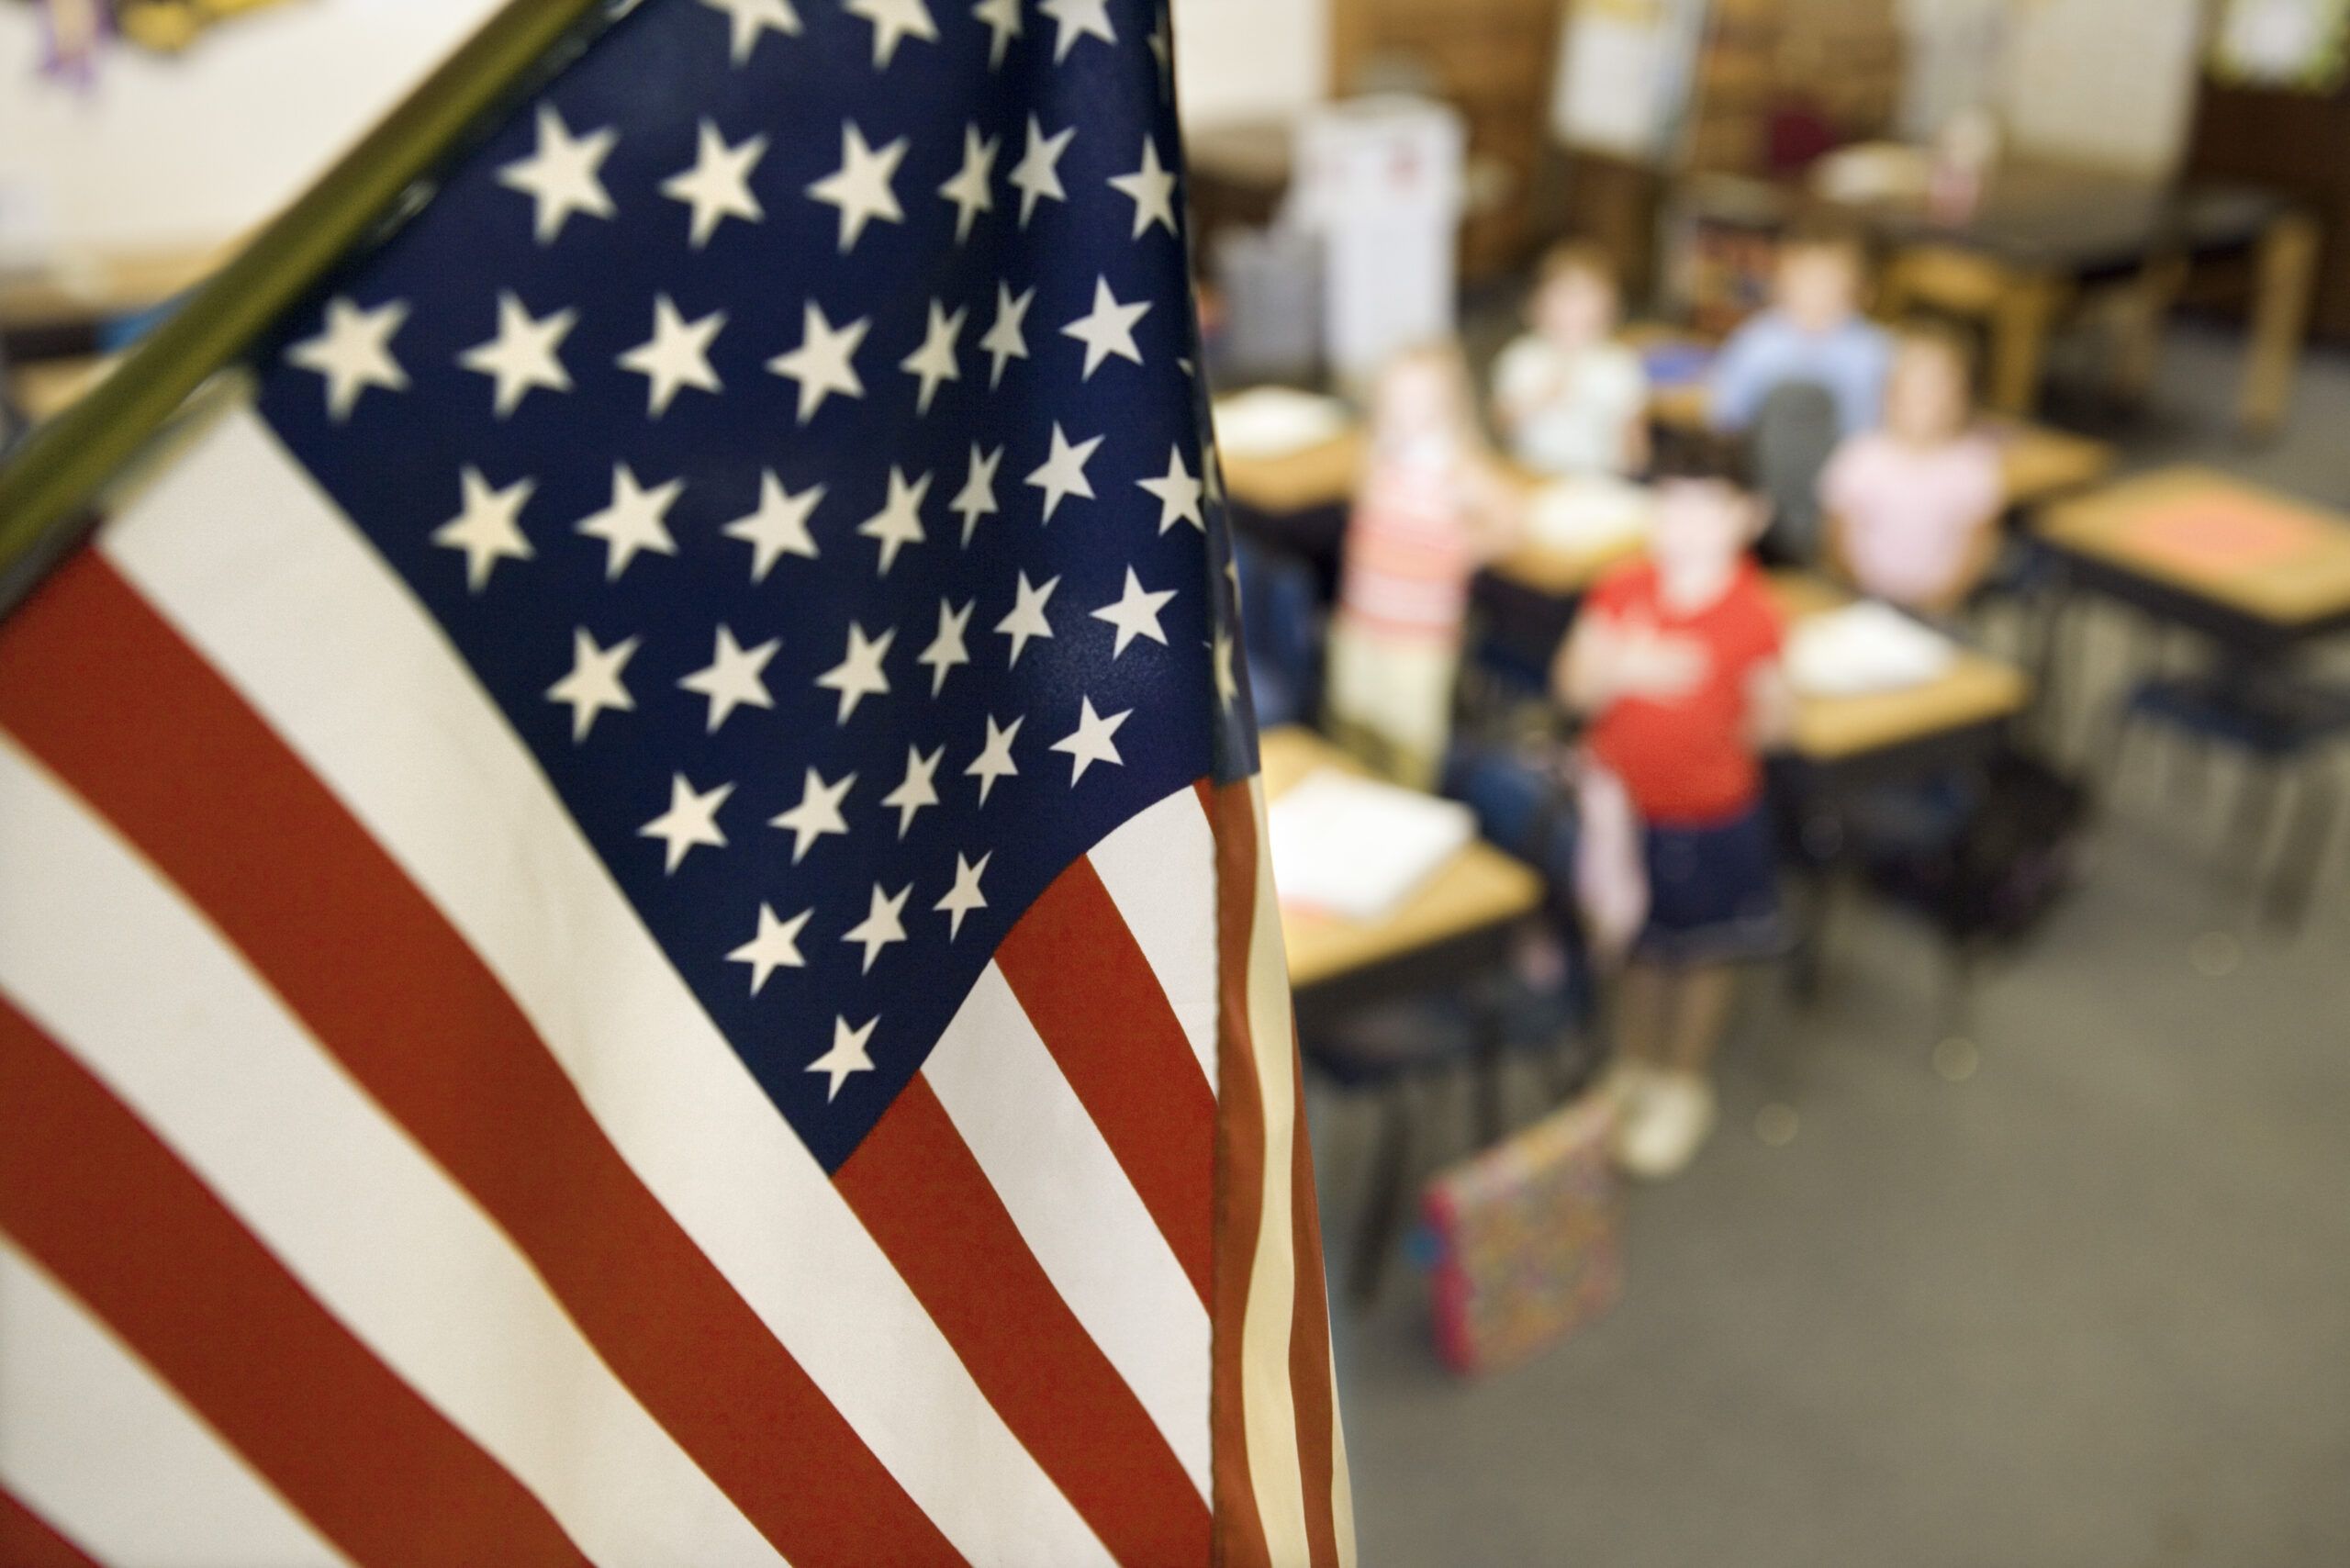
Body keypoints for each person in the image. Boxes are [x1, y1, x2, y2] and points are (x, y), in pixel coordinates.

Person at [1555, 433, 1793, 1179]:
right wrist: (1620, 668)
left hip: (1712, 819)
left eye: (1703, 508)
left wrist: (1718, 721)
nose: (1681, 523)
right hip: (1624, 819)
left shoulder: (1755, 614)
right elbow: (1571, 688)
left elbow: (1777, 720)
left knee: (1700, 954)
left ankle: (1681, 1081)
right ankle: (1634, 1065)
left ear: (1749, 517)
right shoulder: (1622, 591)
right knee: (1638, 944)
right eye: (1670, 504)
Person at [1325, 342, 1521, 787]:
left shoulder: (1457, 468)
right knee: (1352, 732)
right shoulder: (1377, 454)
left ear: (1449, 406)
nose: (1406, 413)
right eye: (1396, 400)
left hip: (1420, 641)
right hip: (1360, 626)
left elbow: (1512, 522)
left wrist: (1464, 548)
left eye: (1421, 402)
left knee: (1408, 751)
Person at [1820, 321, 2006, 616]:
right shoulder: (1859, 457)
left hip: (1941, 611)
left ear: (1960, 398)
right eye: (1913, 389)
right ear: (1889, 395)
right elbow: (1836, 537)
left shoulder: (1974, 466)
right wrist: (1861, 590)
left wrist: (1942, 600)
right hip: (1863, 601)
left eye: (1936, 390)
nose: (1924, 402)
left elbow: (1979, 546)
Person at [1707, 221, 1893, 441]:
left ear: (1860, 290)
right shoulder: (1757, 342)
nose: (1815, 294)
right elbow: (1725, 413)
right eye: (1804, 281)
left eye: (1828, 283)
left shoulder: (1876, 352)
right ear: (1780, 285)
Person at [1491, 241, 1651, 478]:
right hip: (1530, 472)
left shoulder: (1618, 363)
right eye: (1565, 297)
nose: (1575, 310)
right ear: (1538, 307)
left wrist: (1635, 472)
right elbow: (1500, 423)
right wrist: (1539, 397)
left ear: (1609, 312)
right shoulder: (1523, 357)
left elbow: (1633, 433)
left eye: (1588, 299)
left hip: (1597, 475)